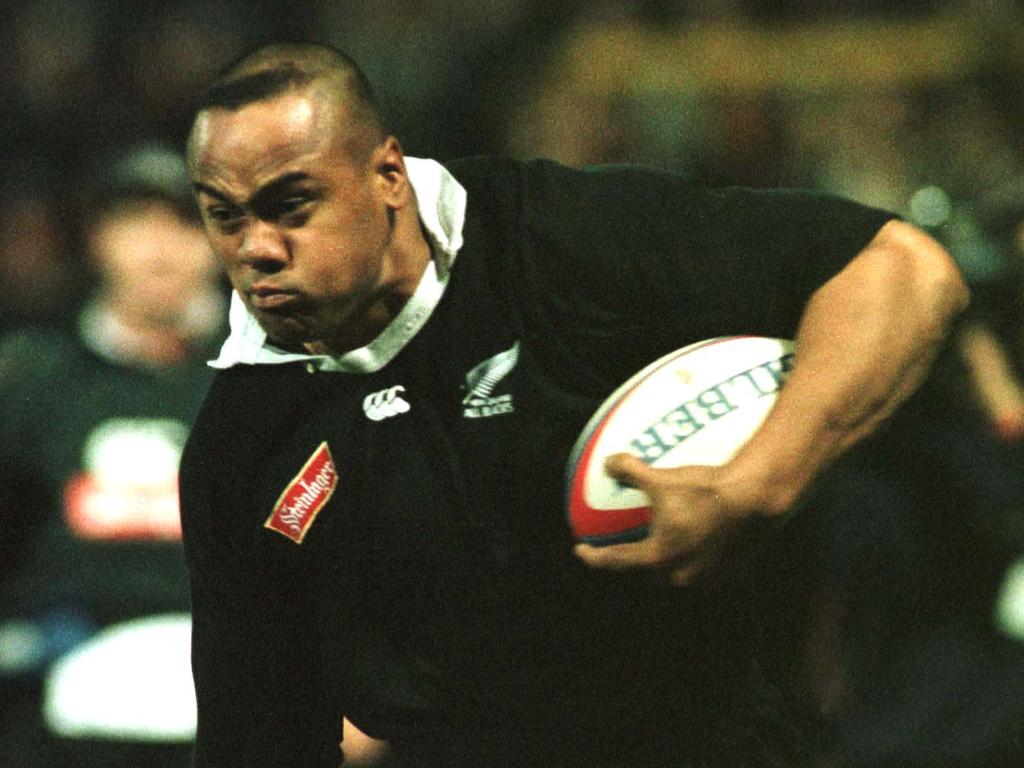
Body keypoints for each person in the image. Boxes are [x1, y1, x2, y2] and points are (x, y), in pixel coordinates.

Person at [179, 42, 968, 768]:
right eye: (225, 214)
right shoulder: (242, 443)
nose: (256, 249)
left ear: (388, 176)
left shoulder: (560, 237)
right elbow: (258, 739)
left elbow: (903, 270)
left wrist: (759, 482)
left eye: (291, 205)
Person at [0, 143, 226, 767]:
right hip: (62, 707)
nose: (159, 249)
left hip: (234, 704)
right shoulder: (31, 380)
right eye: (134, 223)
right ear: (98, 240)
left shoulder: (269, 379)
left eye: (184, 224)